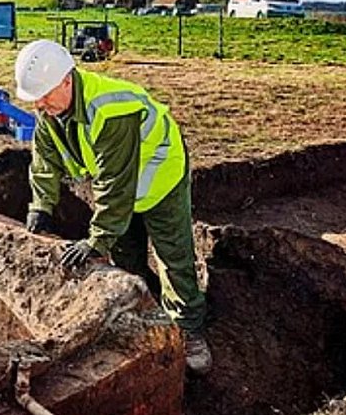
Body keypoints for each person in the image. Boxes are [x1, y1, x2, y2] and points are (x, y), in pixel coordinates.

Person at [13, 40, 212, 374]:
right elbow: (44, 159)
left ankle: (189, 329)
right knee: (125, 257)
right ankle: (143, 316)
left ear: (67, 80)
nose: (39, 104)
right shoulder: (50, 111)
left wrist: (96, 240)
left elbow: (115, 184)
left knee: (173, 257)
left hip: (160, 178)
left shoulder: (109, 111)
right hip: (120, 189)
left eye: (44, 95)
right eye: (34, 97)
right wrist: (41, 206)